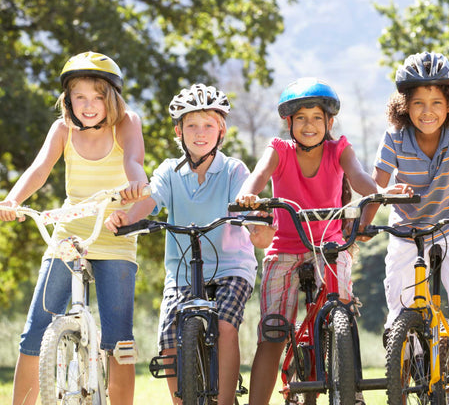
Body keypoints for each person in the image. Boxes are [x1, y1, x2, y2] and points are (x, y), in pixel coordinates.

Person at [105, 83, 270, 405]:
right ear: (178, 131)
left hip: (231, 267)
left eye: (208, 124)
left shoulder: (234, 169)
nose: (200, 132)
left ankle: (223, 401)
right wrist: (127, 217)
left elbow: (246, 204)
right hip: (182, 270)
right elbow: (150, 200)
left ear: (221, 130)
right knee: (168, 341)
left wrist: (256, 225)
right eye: (191, 125)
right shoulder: (169, 170)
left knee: (224, 326)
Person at [0, 51, 148, 405]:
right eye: (79, 96)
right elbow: (38, 170)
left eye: (97, 96)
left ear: (111, 97)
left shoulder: (127, 122)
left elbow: (134, 161)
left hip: (113, 234)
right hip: (69, 235)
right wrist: (11, 201)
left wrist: (137, 187)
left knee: (119, 341)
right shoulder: (62, 129)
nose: (88, 104)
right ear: (68, 99)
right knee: (35, 331)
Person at [235, 77, 383, 405]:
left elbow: (358, 175)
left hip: (328, 247)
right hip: (285, 248)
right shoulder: (280, 151)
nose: (309, 125)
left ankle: (349, 389)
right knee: (273, 332)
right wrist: (247, 194)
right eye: (300, 118)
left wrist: (377, 193)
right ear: (289, 122)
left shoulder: (338, 149)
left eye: (317, 117)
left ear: (329, 122)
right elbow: (258, 176)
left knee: (339, 310)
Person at [373, 51, 449, 404]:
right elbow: (378, 184)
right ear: (404, 106)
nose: (427, 110)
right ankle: (399, 390)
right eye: (418, 102)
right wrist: (362, 222)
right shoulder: (395, 135)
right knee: (399, 309)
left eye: (436, 101)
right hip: (408, 228)